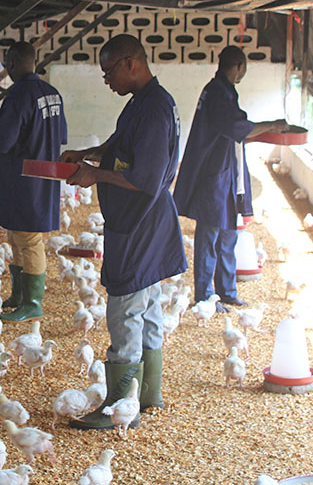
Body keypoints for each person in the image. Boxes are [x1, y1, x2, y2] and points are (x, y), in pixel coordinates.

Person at [59, 34, 186, 430]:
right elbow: (120, 147)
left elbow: (146, 179)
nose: (107, 80)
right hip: (144, 220)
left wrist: (94, 173)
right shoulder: (144, 103)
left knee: (125, 310)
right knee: (146, 307)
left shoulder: (152, 110)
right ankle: (148, 396)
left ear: (131, 63)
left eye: (108, 71)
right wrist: (86, 154)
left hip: (140, 221)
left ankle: (117, 405)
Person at [0, 41, 67, 323]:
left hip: (23, 177)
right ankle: (19, 295)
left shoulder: (18, 95)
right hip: (44, 173)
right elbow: (60, 136)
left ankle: (33, 303)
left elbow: (1, 141)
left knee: (29, 240)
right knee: (17, 238)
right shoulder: (52, 93)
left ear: (13, 63)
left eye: (7, 63)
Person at [174, 46, 288, 313]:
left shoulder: (223, 90)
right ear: (238, 65)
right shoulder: (217, 92)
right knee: (209, 236)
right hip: (213, 176)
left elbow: (238, 127)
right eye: (244, 67)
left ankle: (226, 291)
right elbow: (236, 128)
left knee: (228, 235)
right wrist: (271, 125)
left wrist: (259, 127)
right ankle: (205, 295)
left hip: (225, 174)